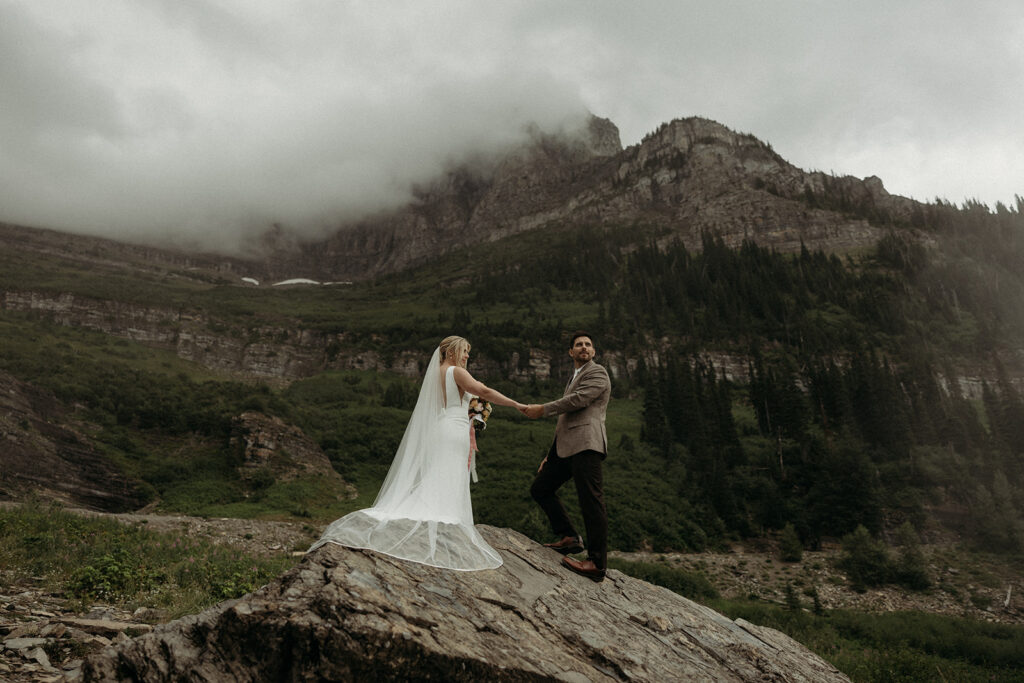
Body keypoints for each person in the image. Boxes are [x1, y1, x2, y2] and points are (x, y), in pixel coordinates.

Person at [309, 336, 525, 570]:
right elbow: (484, 390)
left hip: (445, 425)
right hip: (454, 429)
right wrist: (516, 404)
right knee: (449, 470)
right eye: (464, 351)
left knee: (442, 470)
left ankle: (442, 512)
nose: (467, 356)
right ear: (451, 352)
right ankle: (444, 514)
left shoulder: (439, 372)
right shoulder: (456, 371)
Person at [522, 332, 611, 582]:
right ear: (570, 353)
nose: (584, 347)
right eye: (578, 345)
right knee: (540, 488)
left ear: (593, 352)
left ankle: (597, 563)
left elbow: (578, 400)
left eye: (588, 345)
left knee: (591, 501)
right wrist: (550, 456)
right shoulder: (574, 376)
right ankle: (569, 537)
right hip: (566, 447)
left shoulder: (597, 373)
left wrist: (543, 409)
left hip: (587, 444)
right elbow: (565, 419)